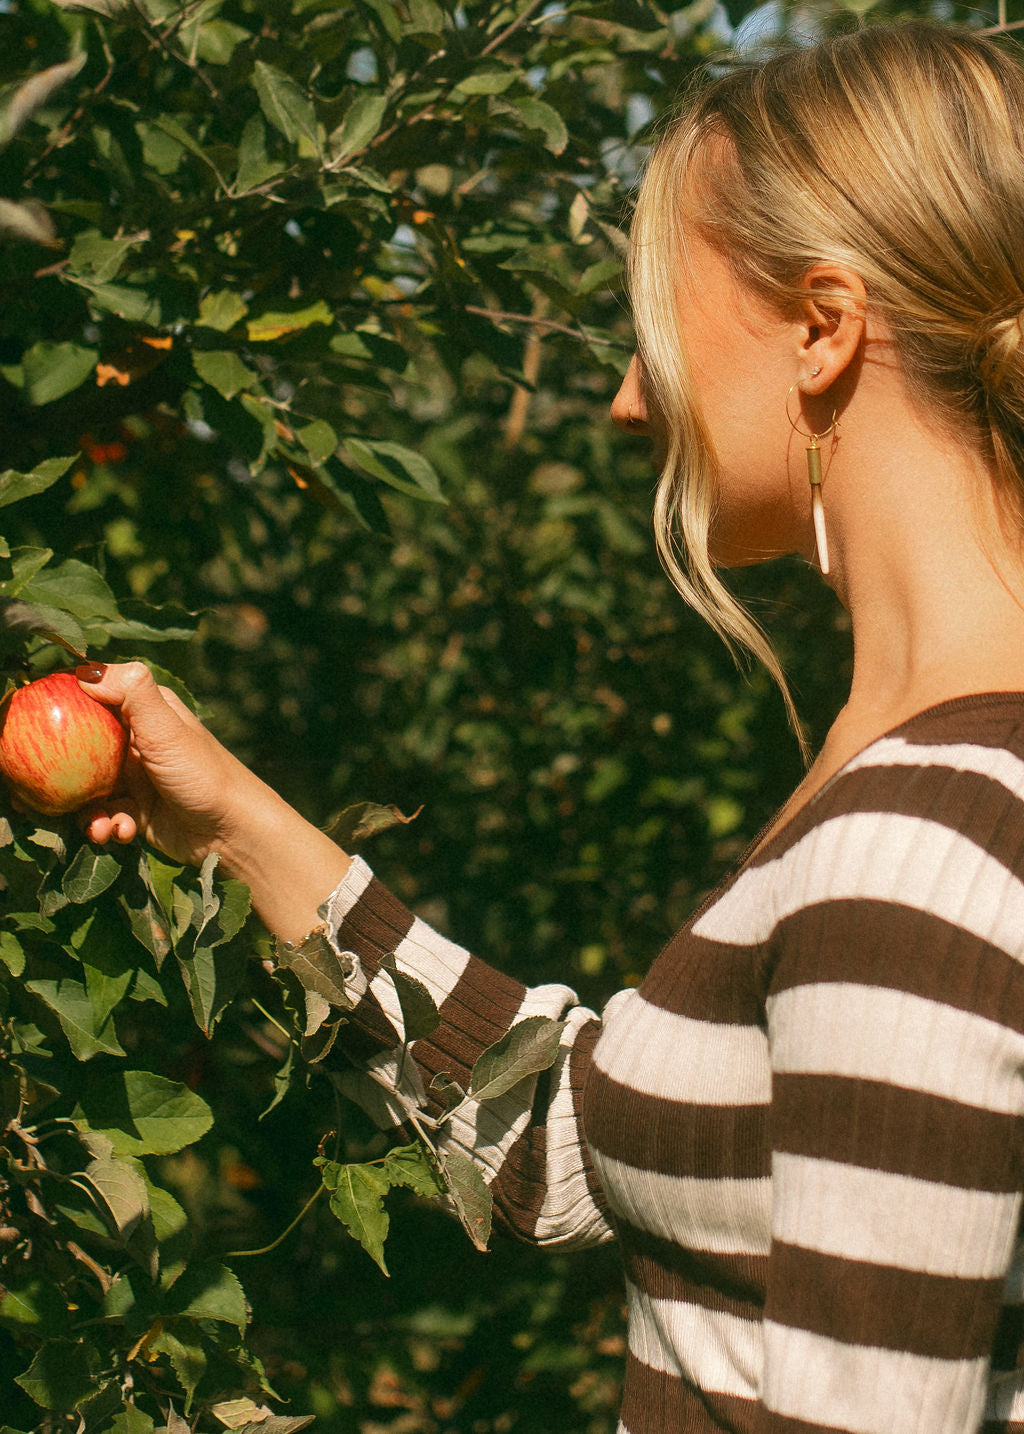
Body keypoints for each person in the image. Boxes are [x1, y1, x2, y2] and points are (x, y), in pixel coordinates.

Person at [72, 19, 1024, 1434]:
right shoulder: (914, 774)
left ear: (823, 329)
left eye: (659, 322)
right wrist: (228, 818)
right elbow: (577, 1144)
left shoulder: (923, 840)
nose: (628, 396)